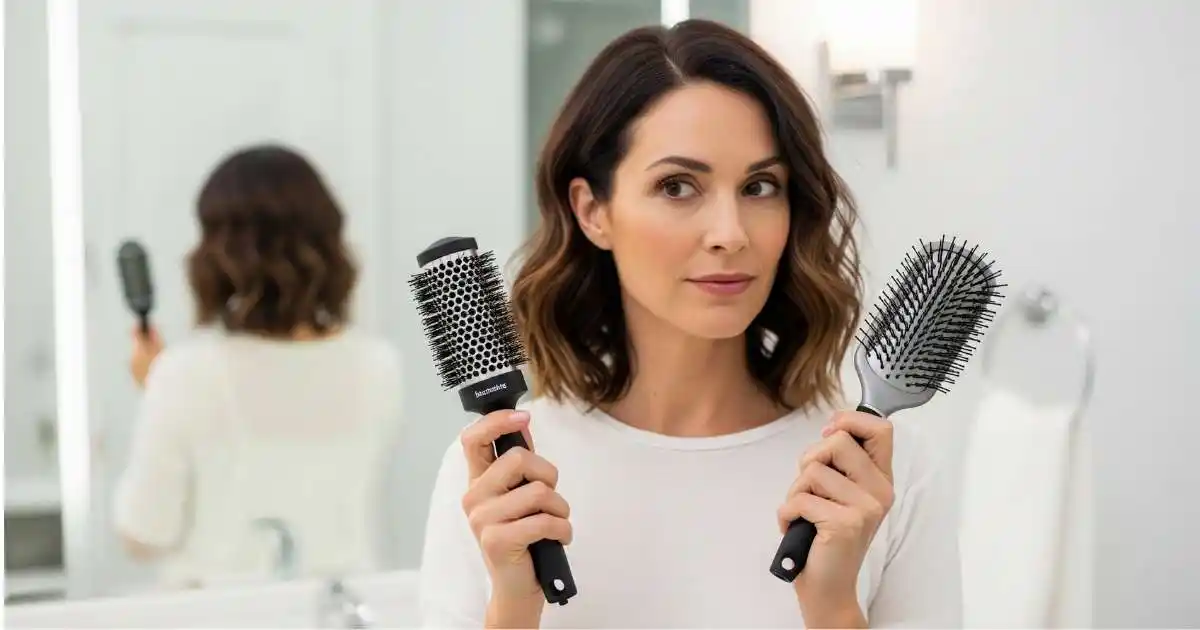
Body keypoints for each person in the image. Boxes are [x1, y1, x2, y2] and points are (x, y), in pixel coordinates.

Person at [418, 19, 960, 629]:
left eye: (760, 186)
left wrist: (832, 607)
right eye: (677, 186)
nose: (730, 234)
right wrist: (513, 607)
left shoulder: (883, 476)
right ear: (593, 211)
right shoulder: (501, 482)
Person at [115, 144, 402, 588]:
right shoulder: (380, 365)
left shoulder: (185, 373)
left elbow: (145, 534)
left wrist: (155, 391)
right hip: (336, 612)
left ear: (219, 251)